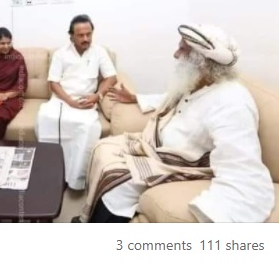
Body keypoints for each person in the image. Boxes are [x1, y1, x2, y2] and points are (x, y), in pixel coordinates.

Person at [74, 23, 275, 223]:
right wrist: (135, 98)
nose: (175, 54)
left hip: (182, 163)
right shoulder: (201, 83)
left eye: (182, 49)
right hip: (157, 148)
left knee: (118, 182)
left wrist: (214, 214)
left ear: (200, 61)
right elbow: (172, 98)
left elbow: (243, 169)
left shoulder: (232, 102)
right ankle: (88, 218)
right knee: (102, 148)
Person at [36, 15, 117, 190]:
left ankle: (75, 179)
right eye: (80, 35)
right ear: (71, 36)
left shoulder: (99, 52)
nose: (85, 38)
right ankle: (52, 174)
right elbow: (53, 83)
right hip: (62, 99)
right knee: (45, 119)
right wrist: (70, 101)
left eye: (89, 34)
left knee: (88, 128)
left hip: (87, 101)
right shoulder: (60, 54)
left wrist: (97, 96)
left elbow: (111, 77)